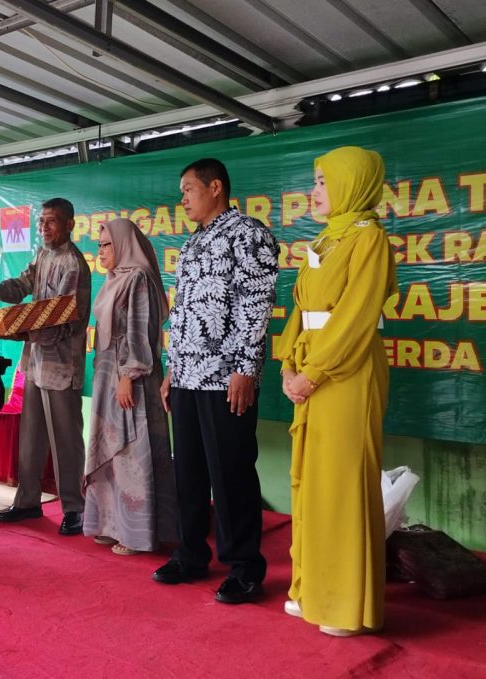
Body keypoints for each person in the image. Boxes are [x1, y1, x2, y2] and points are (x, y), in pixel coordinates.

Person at [276, 146, 397, 636]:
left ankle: (346, 605)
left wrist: (314, 373)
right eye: (316, 181)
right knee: (311, 481)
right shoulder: (325, 239)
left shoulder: (370, 239)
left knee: (342, 484)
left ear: (352, 182)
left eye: (324, 181)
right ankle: (312, 589)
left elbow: (356, 316)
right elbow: (301, 311)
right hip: (311, 368)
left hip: (345, 373)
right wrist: (288, 364)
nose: (315, 191)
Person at [153, 158, 279, 604]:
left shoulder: (248, 233)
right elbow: (185, 314)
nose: (183, 199)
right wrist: (172, 368)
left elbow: (256, 306)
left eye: (189, 189)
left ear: (216, 187)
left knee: (231, 474)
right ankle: (190, 554)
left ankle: (244, 568)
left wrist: (246, 369)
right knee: (188, 471)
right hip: (188, 377)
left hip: (226, 377)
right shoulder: (193, 242)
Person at [0, 198, 91, 535]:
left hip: (60, 365)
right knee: (30, 434)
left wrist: (20, 332)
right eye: (41, 221)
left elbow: (63, 320)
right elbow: (20, 286)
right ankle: (28, 501)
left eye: (52, 221)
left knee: (65, 439)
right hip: (34, 363)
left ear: (69, 225)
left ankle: (74, 508)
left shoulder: (73, 264)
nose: (44, 227)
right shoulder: (43, 255)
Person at [83, 218, 177, 555]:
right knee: (112, 451)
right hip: (108, 376)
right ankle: (112, 525)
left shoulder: (139, 279)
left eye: (107, 244)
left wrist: (128, 375)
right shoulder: (114, 280)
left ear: (124, 245)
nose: (101, 251)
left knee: (133, 452)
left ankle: (138, 534)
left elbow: (142, 331)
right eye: (99, 245)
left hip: (132, 378)